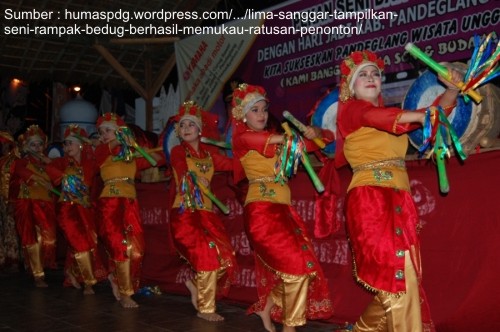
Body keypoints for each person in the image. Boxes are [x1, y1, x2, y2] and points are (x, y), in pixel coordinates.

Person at [335, 50, 462, 331]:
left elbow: (432, 119)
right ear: (351, 86)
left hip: (399, 203)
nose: (371, 78)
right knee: (399, 280)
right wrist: (421, 115)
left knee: (399, 279)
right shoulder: (352, 111)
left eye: (375, 74)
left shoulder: (392, 117)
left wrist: (451, 91)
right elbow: (388, 117)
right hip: (370, 202)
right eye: (363, 75)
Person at [230, 83, 334, 332]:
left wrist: (314, 131)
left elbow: (323, 141)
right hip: (261, 213)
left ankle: (267, 307)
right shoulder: (243, 138)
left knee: (302, 267)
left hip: (285, 212)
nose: (261, 114)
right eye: (254, 110)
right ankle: (291, 326)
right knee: (297, 268)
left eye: (264, 109)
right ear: (243, 115)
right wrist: (296, 138)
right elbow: (271, 139)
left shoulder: (281, 143)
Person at [169, 101, 237, 322]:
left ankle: (197, 286)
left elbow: (233, 165)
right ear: (178, 132)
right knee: (207, 258)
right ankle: (205, 309)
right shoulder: (178, 151)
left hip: (207, 214)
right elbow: (180, 167)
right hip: (185, 212)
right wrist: (190, 176)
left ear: (200, 130)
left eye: (191, 124)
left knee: (226, 258)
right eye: (182, 125)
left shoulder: (209, 156)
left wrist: (252, 156)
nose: (186, 128)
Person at [94, 113, 164, 308]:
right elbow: (112, 144)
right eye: (102, 132)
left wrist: (146, 149)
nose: (105, 134)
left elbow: (156, 160)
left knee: (138, 250)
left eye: (109, 130)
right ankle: (125, 293)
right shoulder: (101, 151)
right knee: (119, 246)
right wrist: (124, 137)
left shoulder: (130, 155)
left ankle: (117, 279)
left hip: (130, 202)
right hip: (110, 202)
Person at [45, 125, 107, 294]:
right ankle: (88, 281)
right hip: (67, 210)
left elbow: (99, 161)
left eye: (71, 143)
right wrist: (67, 176)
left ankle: (71, 273)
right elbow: (50, 169)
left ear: (81, 145)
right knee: (80, 242)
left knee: (86, 243)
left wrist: (99, 144)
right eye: (65, 144)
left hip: (86, 210)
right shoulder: (62, 162)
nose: (67, 147)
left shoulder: (89, 163)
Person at [12, 125, 57, 287]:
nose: (37, 148)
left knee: (49, 238)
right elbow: (21, 172)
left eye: (39, 144)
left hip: (46, 204)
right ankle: (38, 274)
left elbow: (58, 176)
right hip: (28, 203)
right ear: (26, 147)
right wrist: (40, 179)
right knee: (33, 237)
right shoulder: (21, 162)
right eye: (33, 145)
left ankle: (39, 266)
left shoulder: (47, 163)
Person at [0, 131, 21, 271]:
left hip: (11, 199)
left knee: (11, 228)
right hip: (1, 198)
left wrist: (13, 201)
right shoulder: (2, 160)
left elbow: (16, 182)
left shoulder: (15, 161)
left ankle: (13, 258)